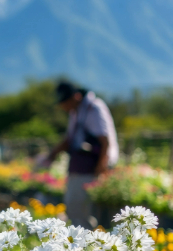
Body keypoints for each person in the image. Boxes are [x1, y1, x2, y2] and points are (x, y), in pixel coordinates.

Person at [43, 81, 119, 228]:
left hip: (93, 164)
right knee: (73, 204)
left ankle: (87, 239)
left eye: (65, 102)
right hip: (80, 163)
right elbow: (69, 139)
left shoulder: (93, 108)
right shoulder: (76, 112)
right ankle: (81, 237)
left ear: (76, 97)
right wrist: (51, 155)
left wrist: (101, 166)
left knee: (82, 205)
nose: (63, 106)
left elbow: (105, 140)